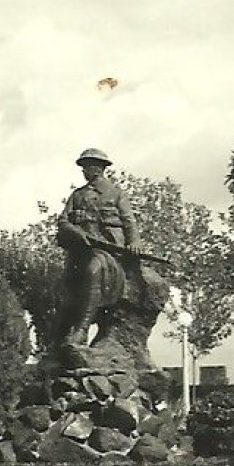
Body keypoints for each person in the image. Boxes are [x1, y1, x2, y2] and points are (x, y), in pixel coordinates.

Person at [56, 148, 142, 348]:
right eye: (83, 167)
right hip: (81, 250)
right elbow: (63, 221)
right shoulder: (77, 196)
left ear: (98, 168)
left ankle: (82, 329)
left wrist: (134, 242)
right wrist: (76, 232)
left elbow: (129, 222)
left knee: (93, 270)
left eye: (87, 166)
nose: (84, 171)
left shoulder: (116, 194)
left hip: (109, 251)